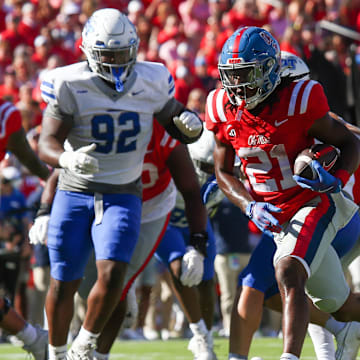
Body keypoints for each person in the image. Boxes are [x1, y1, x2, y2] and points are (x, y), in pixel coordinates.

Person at [37, 8, 204, 360]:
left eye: (122, 53)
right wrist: (66, 158)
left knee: (114, 273)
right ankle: (55, 352)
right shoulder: (69, 82)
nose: (115, 62)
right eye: (107, 55)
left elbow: (176, 124)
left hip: (123, 193)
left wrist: (191, 124)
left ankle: (84, 345)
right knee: (63, 280)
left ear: (135, 48)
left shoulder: (152, 79)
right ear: (88, 50)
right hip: (74, 190)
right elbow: (46, 142)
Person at [205, 26, 360, 360]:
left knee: (287, 272)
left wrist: (338, 178)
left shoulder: (300, 99)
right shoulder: (221, 107)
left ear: (269, 71)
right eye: (231, 75)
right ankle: (347, 331)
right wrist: (248, 205)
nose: (238, 85)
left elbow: (349, 142)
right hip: (274, 218)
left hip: (312, 204)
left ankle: (288, 356)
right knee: (340, 306)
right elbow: (222, 169)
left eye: (246, 74)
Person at [0, 95, 49, 359]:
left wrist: (52, 179)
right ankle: (33, 338)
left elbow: (26, 155)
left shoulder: (5, 113)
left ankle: (32, 338)